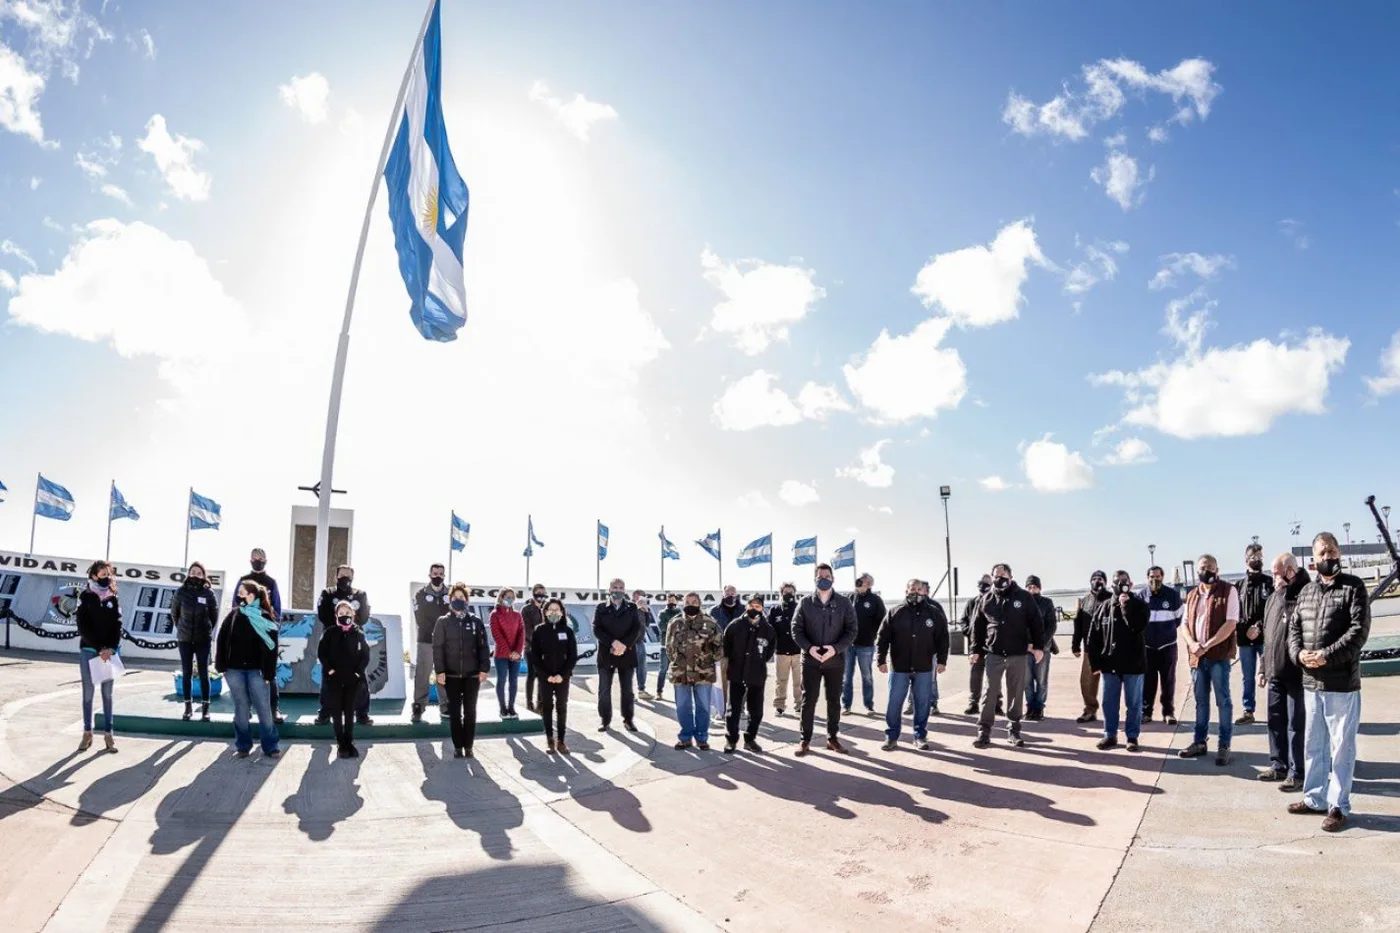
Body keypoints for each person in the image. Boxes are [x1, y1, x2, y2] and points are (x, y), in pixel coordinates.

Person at [1287, 532, 1371, 832]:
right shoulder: (1307, 592)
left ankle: (1338, 806)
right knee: (1314, 746)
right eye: (1322, 553)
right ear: (1313, 559)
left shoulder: (1354, 587)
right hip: (1311, 684)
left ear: (1340, 553)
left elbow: (1358, 633)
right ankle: (1314, 799)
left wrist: (1325, 656)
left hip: (1341, 684)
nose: (1328, 557)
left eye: (1332, 551)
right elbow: (1293, 631)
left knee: (1341, 748)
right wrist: (1299, 656)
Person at [969, 564, 1044, 749]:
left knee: (1015, 693)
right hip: (993, 653)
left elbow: (1036, 622)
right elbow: (977, 627)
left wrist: (1039, 647)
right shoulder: (986, 599)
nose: (998, 578)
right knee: (989, 692)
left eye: (1002, 575)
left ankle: (1014, 730)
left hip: (1016, 654)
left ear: (1010, 577)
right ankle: (984, 731)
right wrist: (974, 650)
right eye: (995, 575)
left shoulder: (1023, 597)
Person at [1178, 554, 1239, 765]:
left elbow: (1231, 623)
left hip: (1218, 656)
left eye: (1211, 567)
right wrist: (1193, 645)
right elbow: (1184, 624)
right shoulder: (1193, 594)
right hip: (1197, 657)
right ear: (1198, 571)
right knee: (1201, 702)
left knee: (1223, 701)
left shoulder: (1228, 590)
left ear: (1217, 569)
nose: (1207, 570)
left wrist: (1208, 644)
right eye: (1204, 567)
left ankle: (1224, 746)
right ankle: (1199, 742)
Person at [793, 563, 858, 756]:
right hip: (811, 661)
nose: (824, 578)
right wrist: (809, 648)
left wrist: (835, 649)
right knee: (809, 700)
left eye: (827, 576)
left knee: (833, 701)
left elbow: (852, 630)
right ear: (814, 578)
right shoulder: (805, 603)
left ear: (833, 578)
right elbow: (796, 629)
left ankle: (832, 738)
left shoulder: (844, 603)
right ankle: (805, 740)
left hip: (835, 661)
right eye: (820, 575)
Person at [878, 579, 949, 751]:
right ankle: (891, 736)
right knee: (894, 702)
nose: (916, 592)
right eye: (912, 589)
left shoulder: (934, 613)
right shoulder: (895, 612)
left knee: (922, 702)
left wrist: (942, 660)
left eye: (919, 589)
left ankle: (920, 736)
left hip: (924, 666)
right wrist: (881, 659)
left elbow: (942, 638)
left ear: (924, 591)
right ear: (906, 590)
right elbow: (883, 637)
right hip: (899, 666)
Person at [214, 580, 281, 759]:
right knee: (241, 709)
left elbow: (272, 646)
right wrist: (221, 665)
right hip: (234, 670)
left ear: (254, 595)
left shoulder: (265, 617)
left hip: (257, 672)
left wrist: (268, 673)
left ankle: (270, 746)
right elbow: (222, 639)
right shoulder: (234, 615)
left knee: (264, 709)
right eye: (239, 593)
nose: (240, 596)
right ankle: (243, 745)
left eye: (244, 593)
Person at [1259, 553, 1309, 789]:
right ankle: (1278, 765)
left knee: (1295, 725)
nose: (1273, 577)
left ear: (1290, 571)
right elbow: (1269, 638)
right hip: (1274, 672)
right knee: (1275, 721)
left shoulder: (1305, 594)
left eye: (1277, 572)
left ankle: (1297, 772)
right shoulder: (1272, 598)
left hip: (1296, 674)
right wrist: (1263, 667)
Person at [1087, 571, 1149, 752]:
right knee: (1109, 702)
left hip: (1133, 664)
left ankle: (1132, 736)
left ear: (1130, 584)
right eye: (1117, 582)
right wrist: (1095, 663)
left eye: (1124, 582)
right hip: (1110, 664)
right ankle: (1110, 734)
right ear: (1111, 585)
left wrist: (1126, 606)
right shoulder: (1104, 607)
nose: (1120, 585)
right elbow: (1093, 637)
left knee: (1134, 703)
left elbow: (1138, 626)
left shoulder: (1139, 605)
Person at [433, 583, 491, 758]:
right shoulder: (442, 622)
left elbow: (483, 647)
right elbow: (438, 648)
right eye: (455, 597)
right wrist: (440, 671)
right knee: (455, 712)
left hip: (472, 675)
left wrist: (484, 668)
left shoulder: (476, 622)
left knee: (470, 711)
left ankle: (469, 746)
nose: (458, 600)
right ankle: (458, 746)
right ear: (450, 600)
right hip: (451, 675)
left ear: (467, 600)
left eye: (462, 597)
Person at [75, 560, 122, 754]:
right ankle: (87, 733)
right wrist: (99, 647)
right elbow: (82, 626)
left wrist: (110, 648)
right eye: (103, 574)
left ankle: (109, 735)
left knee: (107, 694)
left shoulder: (113, 598)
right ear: (94, 575)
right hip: (89, 650)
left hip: (109, 653)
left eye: (108, 574)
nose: (106, 578)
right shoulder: (85, 597)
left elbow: (117, 625)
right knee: (88, 694)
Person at [315, 566, 372, 726]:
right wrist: (339, 626)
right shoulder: (327, 593)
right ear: (336, 575)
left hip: (353, 641)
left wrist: (349, 626)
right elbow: (323, 614)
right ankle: (325, 713)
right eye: (342, 575)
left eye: (348, 576)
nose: (345, 578)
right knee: (328, 678)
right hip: (332, 641)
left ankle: (362, 714)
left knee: (359, 678)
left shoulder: (360, 595)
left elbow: (364, 616)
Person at [666, 592, 722, 750]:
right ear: (683, 603)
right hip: (680, 672)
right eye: (688, 601)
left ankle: (702, 737)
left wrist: (709, 659)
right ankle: (685, 737)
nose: (691, 604)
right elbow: (668, 647)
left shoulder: (710, 623)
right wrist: (678, 661)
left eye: (694, 601)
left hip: (703, 672)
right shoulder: (675, 622)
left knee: (703, 706)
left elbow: (719, 646)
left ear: (699, 603)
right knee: (683, 706)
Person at [234, 548, 284, 722]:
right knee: (245, 671)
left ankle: (274, 708)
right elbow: (235, 604)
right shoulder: (242, 581)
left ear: (265, 560)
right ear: (250, 560)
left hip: (264, 631)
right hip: (245, 633)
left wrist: (274, 626)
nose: (257, 561)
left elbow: (277, 608)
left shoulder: (271, 582)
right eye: (255, 558)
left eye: (260, 558)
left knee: (269, 671)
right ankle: (246, 708)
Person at [722, 596, 775, 753]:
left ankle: (750, 739)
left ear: (762, 608)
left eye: (758, 606)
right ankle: (731, 740)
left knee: (756, 711)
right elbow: (727, 647)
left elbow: (769, 652)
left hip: (757, 675)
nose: (754, 608)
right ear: (746, 606)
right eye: (752, 605)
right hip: (737, 673)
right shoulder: (735, 626)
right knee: (733, 711)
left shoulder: (768, 630)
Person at [318, 599, 369, 758]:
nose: (344, 615)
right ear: (336, 615)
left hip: (352, 679)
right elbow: (322, 654)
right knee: (336, 712)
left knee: (349, 711)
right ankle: (341, 743)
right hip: (334, 679)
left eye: (347, 613)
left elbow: (365, 655)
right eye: (341, 613)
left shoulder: (358, 633)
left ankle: (349, 741)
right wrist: (330, 670)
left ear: (353, 615)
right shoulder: (330, 632)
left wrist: (358, 673)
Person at [171, 562, 218, 723]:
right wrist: (182, 628)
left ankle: (205, 709)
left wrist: (206, 630)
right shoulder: (181, 592)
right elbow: (174, 613)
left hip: (202, 639)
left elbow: (214, 616)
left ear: (203, 576)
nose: (195, 575)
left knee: (204, 673)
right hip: (184, 639)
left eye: (199, 573)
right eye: (193, 572)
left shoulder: (208, 594)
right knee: (187, 673)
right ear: (188, 574)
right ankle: (187, 708)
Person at [593, 578, 642, 733]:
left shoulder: (632, 608)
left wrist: (624, 645)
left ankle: (628, 720)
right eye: (615, 587)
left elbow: (636, 629)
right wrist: (613, 643)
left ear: (625, 590)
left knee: (627, 690)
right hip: (606, 655)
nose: (618, 590)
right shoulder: (601, 608)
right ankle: (605, 720)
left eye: (621, 587)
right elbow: (597, 629)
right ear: (609, 589)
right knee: (604, 690)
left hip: (626, 654)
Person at [531, 597, 578, 754]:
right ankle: (550, 739)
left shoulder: (568, 631)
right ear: (545, 612)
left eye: (557, 609)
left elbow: (572, 656)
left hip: (562, 677)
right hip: (546, 677)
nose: (553, 612)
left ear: (562, 612)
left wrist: (562, 675)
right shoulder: (539, 630)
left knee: (561, 707)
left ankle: (561, 741)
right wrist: (546, 675)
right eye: (550, 609)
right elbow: (535, 656)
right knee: (547, 707)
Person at [1139, 565, 1183, 725]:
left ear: (1162, 577)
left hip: (1168, 646)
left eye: (1157, 576)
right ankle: (1146, 712)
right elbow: (1138, 620)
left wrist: (1166, 631)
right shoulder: (1141, 596)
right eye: (1151, 576)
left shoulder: (1172, 595)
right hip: (1148, 648)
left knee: (1168, 680)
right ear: (1147, 578)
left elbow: (1178, 619)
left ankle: (1168, 713)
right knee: (1148, 681)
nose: (1154, 579)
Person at [1235, 543, 1273, 725]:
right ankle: (1248, 710)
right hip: (1245, 640)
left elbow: (1272, 609)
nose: (1258, 560)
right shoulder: (1239, 586)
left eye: (1260, 556)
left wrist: (1258, 627)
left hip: (1265, 637)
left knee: (1271, 674)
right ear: (1246, 559)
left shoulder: (1269, 583)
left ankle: (1275, 710)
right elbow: (1235, 614)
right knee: (1247, 677)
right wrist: (1245, 630)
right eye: (1254, 557)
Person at [411, 564, 450, 723]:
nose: (438, 576)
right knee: (422, 673)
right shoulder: (421, 594)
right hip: (426, 640)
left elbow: (453, 615)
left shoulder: (450, 594)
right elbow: (420, 618)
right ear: (429, 574)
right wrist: (435, 632)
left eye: (441, 573)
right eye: (435, 573)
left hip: (446, 642)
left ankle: (446, 705)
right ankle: (419, 706)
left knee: (444, 673)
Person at [843, 573, 885, 717]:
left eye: (864, 580)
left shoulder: (875, 600)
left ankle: (869, 706)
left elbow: (883, 622)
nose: (860, 582)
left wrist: (874, 636)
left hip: (866, 645)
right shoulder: (849, 598)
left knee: (866, 676)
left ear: (869, 584)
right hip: (848, 645)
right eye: (859, 579)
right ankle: (846, 705)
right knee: (846, 677)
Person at [1073, 570, 1112, 723]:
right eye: (1094, 579)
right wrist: (1075, 645)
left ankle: (1112, 713)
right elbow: (1078, 625)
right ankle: (1090, 710)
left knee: (1112, 683)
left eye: (1101, 579)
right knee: (1086, 682)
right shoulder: (1084, 601)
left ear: (1105, 582)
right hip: (1090, 650)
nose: (1097, 581)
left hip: (1109, 649)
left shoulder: (1112, 599)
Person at [1023, 575, 1057, 722]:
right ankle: (1030, 706)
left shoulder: (1047, 603)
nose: (1032, 590)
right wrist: (1027, 645)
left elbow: (1051, 626)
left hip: (1043, 648)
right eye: (1029, 587)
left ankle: (1039, 707)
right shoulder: (1021, 603)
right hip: (1025, 649)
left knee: (1041, 680)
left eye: (1035, 587)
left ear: (1039, 588)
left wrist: (1039, 647)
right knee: (1026, 680)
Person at [710, 585, 746, 717]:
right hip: (722, 652)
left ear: (736, 594)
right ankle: (723, 708)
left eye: (733, 593)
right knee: (722, 682)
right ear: (723, 594)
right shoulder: (714, 611)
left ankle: (739, 708)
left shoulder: (744, 610)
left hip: (740, 652)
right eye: (727, 593)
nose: (730, 595)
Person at [769, 583, 803, 717]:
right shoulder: (775, 610)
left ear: (795, 594)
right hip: (781, 652)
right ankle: (779, 706)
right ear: (781, 593)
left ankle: (799, 705)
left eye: (791, 592)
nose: (788, 595)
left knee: (798, 681)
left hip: (798, 651)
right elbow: (769, 630)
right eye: (785, 592)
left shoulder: (800, 609)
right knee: (781, 680)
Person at [490, 588, 524, 720]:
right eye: (507, 596)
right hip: (501, 655)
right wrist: (509, 652)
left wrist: (517, 651)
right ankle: (503, 708)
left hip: (516, 655)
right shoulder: (495, 614)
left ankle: (511, 707)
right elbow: (497, 635)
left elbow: (521, 633)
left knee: (513, 681)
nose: (509, 599)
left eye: (512, 597)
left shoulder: (517, 615)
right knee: (502, 680)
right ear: (501, 597)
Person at [960, 575, 993, 715]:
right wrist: (969, 631)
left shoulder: (995, 600)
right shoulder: (972, 602)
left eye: (986, 583)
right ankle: (973, 703)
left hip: (992, 645)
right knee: (975, 675)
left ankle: (996, 704)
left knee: (993, 676)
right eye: (981, 583)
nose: (983, 585)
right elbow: (963, 620)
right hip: (975, 646)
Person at [521, 584, 549, 712]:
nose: (541, 595)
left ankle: (540, 704)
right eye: (538, 593)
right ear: (533, 594)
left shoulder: (547, 609)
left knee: (542, 676)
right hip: (531, 647)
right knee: (532, 675)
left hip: (545, 649)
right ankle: (529, 703)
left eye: (543, 593)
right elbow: (526, 630)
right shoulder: (526, 609)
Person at [654, 594, 682, 700]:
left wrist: (672, 626)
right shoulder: (662, 613)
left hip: (678, 647)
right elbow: (662, 627)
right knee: (663, 669)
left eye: (673, 600)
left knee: (678, 670)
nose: (671, 602)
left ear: (677, 602)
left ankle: (679, 694)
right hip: (665, 646)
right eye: (669, 600)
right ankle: (659, 691)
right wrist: (675, 627)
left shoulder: (680, 613)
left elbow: (683, 627)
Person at [633, 590, 656, 700]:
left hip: (640, 641)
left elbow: (647, 624)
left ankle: (641, 690)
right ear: (635, 596)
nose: (642, 599)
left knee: (642, 667)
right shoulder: (629, 607)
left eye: (643, 597)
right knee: (629, 669)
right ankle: (628, 692)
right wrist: (636, 608)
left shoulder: (643, 609)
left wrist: (646, 611)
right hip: (629, 642)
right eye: (640, 597)